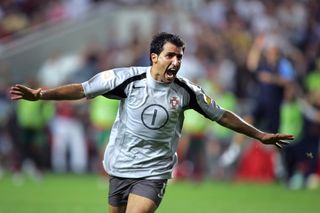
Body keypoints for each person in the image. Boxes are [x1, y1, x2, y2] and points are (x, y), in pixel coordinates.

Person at [10, 32, 294, 213]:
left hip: (154, 171)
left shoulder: (187, 91)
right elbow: (82, 88)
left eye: (180, 57)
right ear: (154, 57)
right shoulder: (126, 78)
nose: (176, 62)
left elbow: (221, 115)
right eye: (170, 55)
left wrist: (259, 135)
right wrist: (40, 94)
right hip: (119, 166)